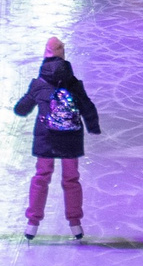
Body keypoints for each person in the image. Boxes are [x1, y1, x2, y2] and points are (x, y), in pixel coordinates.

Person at [12, 35, 102, 240]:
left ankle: (32, 223)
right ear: (64, 56)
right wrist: (93, 127)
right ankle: (75, 223)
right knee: (71, 179)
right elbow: (87, 106)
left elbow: (22, 108)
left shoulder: (38, 84)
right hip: (71, 137)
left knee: (41, 177)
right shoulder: (73, 83)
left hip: (46, 137)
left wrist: (24, 102)